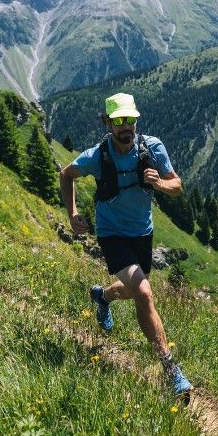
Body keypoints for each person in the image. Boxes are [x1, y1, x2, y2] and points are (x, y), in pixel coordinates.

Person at [59, 92, 193, 398]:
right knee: (144, 292)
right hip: (111, 233)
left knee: (134, 290)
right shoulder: (97, 156)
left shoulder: (152, 148)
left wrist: (159, 183)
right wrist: (73, 214)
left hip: (142, 233)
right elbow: (66, 176)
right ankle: (171, 371)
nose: (125, 127)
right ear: (107, 123)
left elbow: (177, 185)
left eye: (130, 120)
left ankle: (103, 296)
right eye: (118, 121)